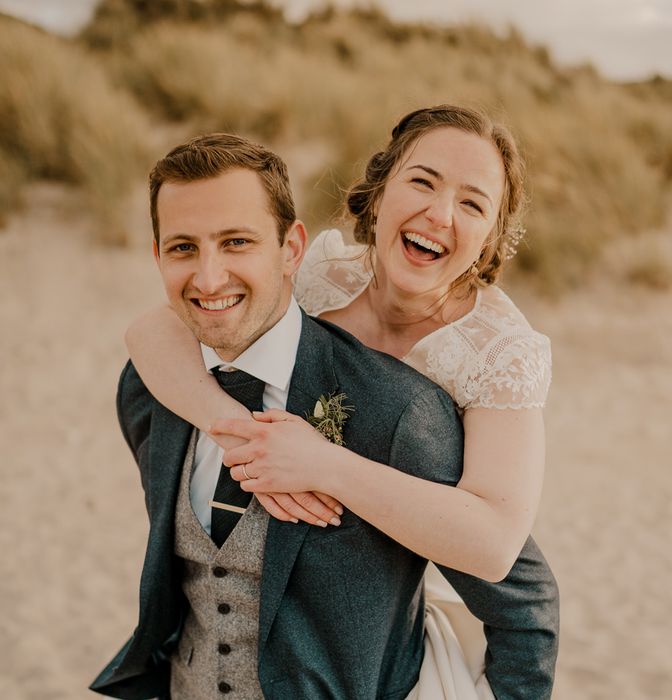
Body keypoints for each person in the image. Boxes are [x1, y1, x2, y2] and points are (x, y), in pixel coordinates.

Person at [91, 130, 558, 700]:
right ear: (380, 194)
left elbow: (513, 582)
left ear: (290, 250)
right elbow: (154, 331)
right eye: (184, 248)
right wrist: (233, 427)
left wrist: (327, 465)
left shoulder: (425, 402)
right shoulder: (157, 388)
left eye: (238, 242)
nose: (210, 277)